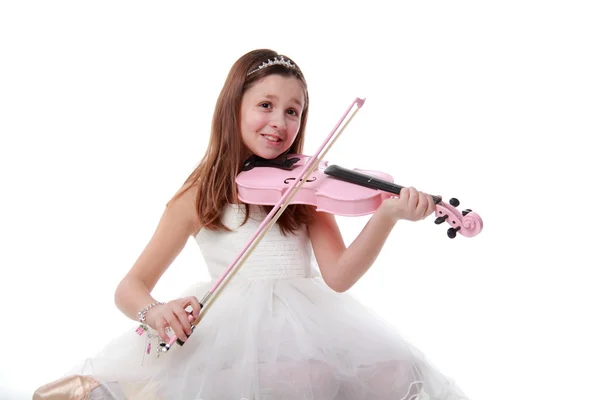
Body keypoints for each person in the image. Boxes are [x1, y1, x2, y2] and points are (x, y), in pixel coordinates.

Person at [33, 49, 469, 400]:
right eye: (266, 105)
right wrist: (156, 311)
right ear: (233, 108)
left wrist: (387, 216)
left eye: (293, 111)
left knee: (393, 370)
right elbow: (131, 285)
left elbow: (338, 275)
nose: (280, 122)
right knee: (300, 382)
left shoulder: (305, 188)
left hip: (308, 326)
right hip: (229, 334)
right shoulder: (200, 194)